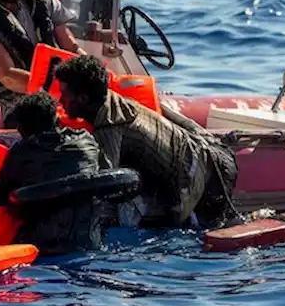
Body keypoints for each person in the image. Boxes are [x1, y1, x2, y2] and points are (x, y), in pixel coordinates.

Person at [54, 54, 240, 230]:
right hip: (215, 157)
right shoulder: (118, 102)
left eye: (65, 94)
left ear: (83, 98)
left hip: (205, 181)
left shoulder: (109, 128)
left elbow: (105, 188)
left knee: (119, 213)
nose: (60, 100)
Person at [0, 91, 110, 254]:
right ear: (57, 119)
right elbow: (105, 172)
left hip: (42, 248)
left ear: (21, 130)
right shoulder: (88, 141)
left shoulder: (22, 152)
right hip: (90, 242)